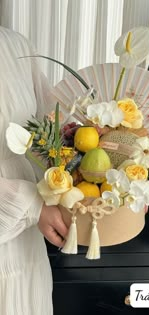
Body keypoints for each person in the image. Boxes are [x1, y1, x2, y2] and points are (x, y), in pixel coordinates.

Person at [0, 26, 69, 315]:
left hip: (25, 246)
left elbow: (50, 131)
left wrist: (110, 185)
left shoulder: (14, 46)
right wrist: (31, 206)